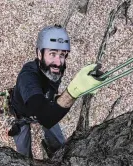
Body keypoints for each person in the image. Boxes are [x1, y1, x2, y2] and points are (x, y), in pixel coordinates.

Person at [10, 24, 104, 158]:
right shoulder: (28, 77)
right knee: (24, 157)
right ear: (39, 53)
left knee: (60, 147)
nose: (58, 62)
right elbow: (45, 118)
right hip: (22, 114)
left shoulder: (55, 69)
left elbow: (47, 114)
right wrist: (74, 90)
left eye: (62, 55)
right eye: (52, 54)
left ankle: (56, 159)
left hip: (46, 105)